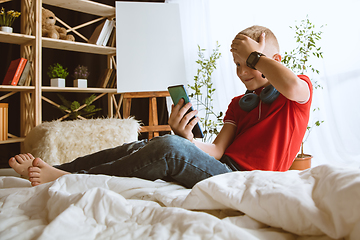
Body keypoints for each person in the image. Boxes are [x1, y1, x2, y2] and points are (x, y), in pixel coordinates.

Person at [9, 25, 312, 188]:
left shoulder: (297, 91)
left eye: (248, 63)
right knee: (142, 145)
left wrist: (254, 55)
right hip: (222, 167)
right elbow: (218, 151)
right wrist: (187, 138)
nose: (243, 72)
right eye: (237, 65)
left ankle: (68, 180)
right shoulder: (239, 105)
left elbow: (290, 87)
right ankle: (58, 169)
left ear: (275, 60)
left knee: (169, 148)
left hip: (244, 180)